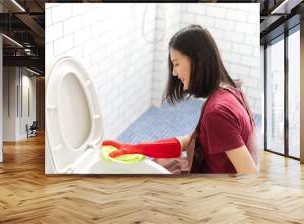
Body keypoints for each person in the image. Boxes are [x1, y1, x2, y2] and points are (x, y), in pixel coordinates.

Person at [102, 25, 259, 174]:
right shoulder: (231, 90)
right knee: (158, 163)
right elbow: (189, 141)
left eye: (176, 64)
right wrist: (135, 148)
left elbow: (249, 175)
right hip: (203, 168)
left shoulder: (218, 113)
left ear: (198, 61)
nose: (175, 73)